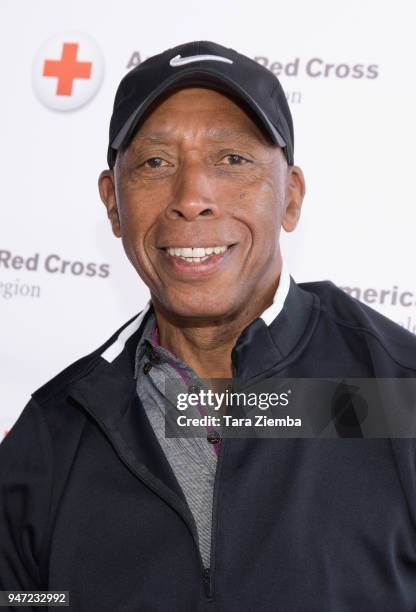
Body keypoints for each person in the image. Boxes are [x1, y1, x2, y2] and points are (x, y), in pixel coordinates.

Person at [1, 40, 416, 612]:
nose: (192, 198)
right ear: (113, 204)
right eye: (155, 163)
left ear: (291, 198)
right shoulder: (51, 438)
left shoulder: (398, 392)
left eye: (232, 160)